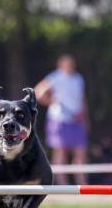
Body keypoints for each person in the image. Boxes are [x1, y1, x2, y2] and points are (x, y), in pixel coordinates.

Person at [34, 54, 90, 185]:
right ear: (61, 65)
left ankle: (83, 185)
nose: (70, 66)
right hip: (60, 120)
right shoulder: (55, 77)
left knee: (80, 153)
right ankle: (63, 186)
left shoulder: (78, 79)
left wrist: (86, 119)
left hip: (77, 120)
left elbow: (82, 100)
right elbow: (38, 92)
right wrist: (51, 101)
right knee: (61, 153)